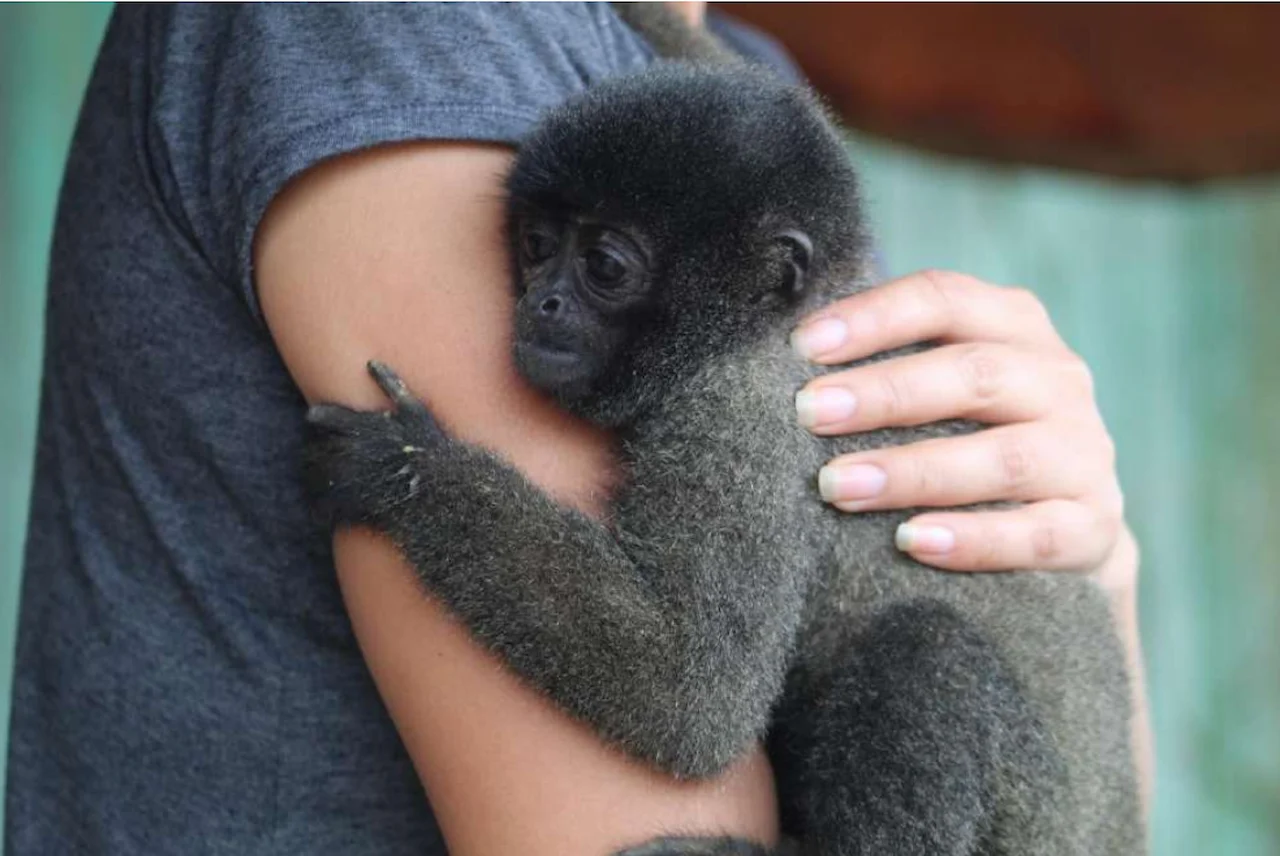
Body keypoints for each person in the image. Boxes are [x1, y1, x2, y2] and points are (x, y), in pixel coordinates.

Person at [5, 4, 1147, 855]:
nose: (540, 301)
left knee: (915, 683)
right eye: (537, 249)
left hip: (978, 748)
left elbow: (683, 696)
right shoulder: (398, 27)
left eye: (598, 269)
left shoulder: (742, 137)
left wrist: (1102, 561)